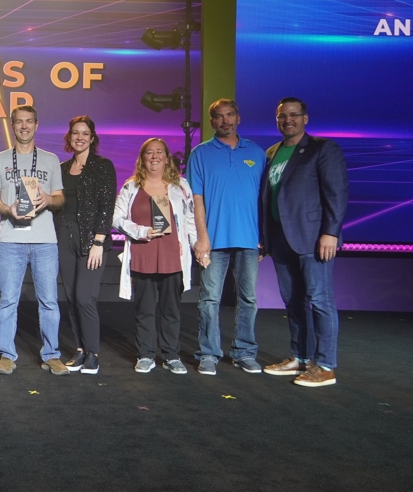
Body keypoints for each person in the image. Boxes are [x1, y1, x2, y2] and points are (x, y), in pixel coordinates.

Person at [260, 97, 348, 387]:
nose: (288, 120)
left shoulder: (323, 148)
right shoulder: (272, 152)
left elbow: (336, 193)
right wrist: (265, 238)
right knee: (293, 301)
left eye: (293, 114)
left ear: (305, 118)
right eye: (282, 116)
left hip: (313, 238)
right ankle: (300, 357)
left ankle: (325, 366)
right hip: (280, 239)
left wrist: (330, 232)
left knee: (320, 301)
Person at [187, 99, 266, 376]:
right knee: (210, 299)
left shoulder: (256, 153)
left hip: (249, 239)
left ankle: (244, 352)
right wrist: (202, 238)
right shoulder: (200, 153)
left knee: (248, 299)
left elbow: (264, 198)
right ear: (212, 122)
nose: (225, 121)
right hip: (214, 241)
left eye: (230, 115)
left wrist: (264, 236)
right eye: (219, 117)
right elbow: (196, 200)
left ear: (238, 118)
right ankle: (208, 353)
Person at [0, 105, 67, 376]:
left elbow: (60, 198)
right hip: (11, 240)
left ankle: (52, 355)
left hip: (44, 241)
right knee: (8, 301)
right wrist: (8, 209)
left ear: (36, 124)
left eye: (29, 121)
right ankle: (7, 355)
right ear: (12, 126)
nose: (24, 126)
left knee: (49, 301)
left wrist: (48, 199)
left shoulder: (51, 160)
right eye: (19, 122)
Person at [113, 138, 197, 374]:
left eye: (159, 152)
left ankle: (171, 356)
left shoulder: (181, 186)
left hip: (172, 257)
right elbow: (116, 218)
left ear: (167, 158)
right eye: (149, 152)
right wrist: (141, 231)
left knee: (171, 311)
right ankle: (146, 355)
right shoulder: (131, 187)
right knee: (145, 310)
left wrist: (198, 246)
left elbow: (190, 219)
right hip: (143, 256)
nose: (154, 156)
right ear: (142, 158)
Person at [55, 116, 115, 375]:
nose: (79, 137)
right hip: (63, 236)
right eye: (75, 133)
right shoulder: (61, 168)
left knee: (85, 297)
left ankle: (93, 353)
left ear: (92, 138)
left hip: (91, 239)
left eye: (85, 133)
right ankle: (79, 349)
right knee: (71, 298)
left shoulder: (102, 166)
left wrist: (98, 241)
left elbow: (106, 206)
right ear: (69, 137)